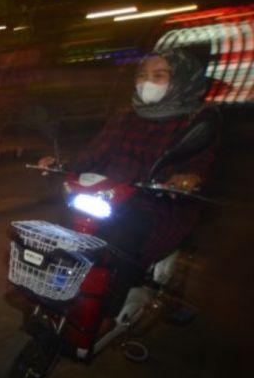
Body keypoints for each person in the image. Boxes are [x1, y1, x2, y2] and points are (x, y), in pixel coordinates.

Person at [38, 48, 219, 315]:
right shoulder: (127, 114)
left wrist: (189, 178)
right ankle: (62, 290)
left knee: (124, 236)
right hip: (111, 194)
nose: (147, 82)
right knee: (69, 230)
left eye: (159, 76)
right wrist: (61, 164)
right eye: (142, 75)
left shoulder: (197, 119)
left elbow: (201, 160)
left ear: (182, 80)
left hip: (159, 200)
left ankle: (107, 311)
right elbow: (96, 151)